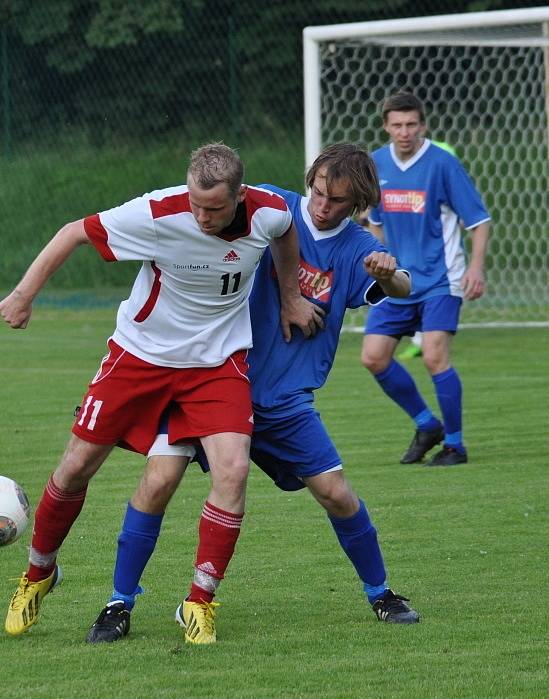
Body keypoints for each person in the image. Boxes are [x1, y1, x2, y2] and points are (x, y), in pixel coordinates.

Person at [85, 143, 420, 647]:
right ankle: (118, 603)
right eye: (318, 191)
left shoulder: (355, 249)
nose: (321, 205)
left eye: (336, 201)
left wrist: (388, 273)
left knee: (336, 493)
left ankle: (381, 593)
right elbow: (208, 201)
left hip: (284, 401)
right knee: (158, 481)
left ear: (358, 205)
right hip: (211, 380)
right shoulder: (272, 208)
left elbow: (403, 286)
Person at [0, 142, 323, 637]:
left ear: (240, 195)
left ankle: (199, 602)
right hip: (140, 356)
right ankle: (38, 574)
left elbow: (285, 236)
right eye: (195, 203)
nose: (200, 216)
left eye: (213, 208)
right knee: (76, 467)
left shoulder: (269, 212)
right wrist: (23, 295)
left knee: (233, 472)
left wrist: (291, 298)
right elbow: (73, 233)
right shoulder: (156, 213)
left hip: (218, 363)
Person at [361, 92, 491, 466]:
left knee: (434, 355)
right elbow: (376, 225)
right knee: (373, 357)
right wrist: (376, 267)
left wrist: (476, 268)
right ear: (385, 125)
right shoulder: (376, 164)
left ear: (424, 124)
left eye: (412, 124)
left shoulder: (442, 164)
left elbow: (479, 222)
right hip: (397, 283)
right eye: (397, 125)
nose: (405, 132)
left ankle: (455, 445)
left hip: (440, 280)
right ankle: (425, 424)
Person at [396, 141, 458, 362]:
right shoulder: (389, 163)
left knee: (435, 357)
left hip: (439, 267)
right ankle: (419, 341)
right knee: (374, 357)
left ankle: (423, 342)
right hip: (406, 259)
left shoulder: (443, 158)